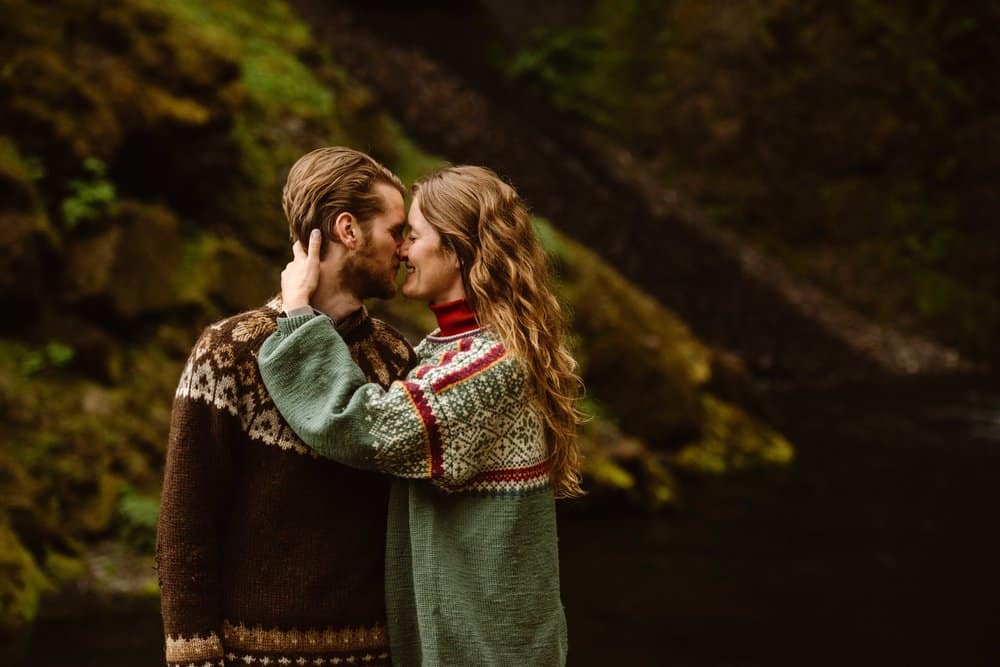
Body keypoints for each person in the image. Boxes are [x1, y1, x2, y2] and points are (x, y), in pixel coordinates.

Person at [258, 165, 583, 666]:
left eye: (413, 235)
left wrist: (300, 316)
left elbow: (367, 428)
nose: (402, 249)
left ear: (456, 250)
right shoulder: (444, 352)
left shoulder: (492, 364)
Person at [156, 147, 418, 667]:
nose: (407, 248)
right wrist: (195, 658)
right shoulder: (229, 352)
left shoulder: (395, 358)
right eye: (396, 231)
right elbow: (186, 525)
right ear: (348, 230)